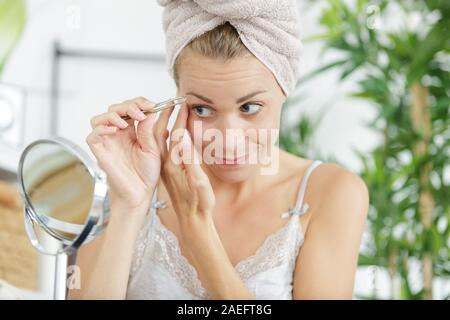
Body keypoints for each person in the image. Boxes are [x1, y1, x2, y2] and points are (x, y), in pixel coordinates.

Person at [68, 0, 369, 300]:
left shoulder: (331, 193)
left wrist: (198, 234)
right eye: (201, 109)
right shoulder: (129, 181)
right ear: (177, 97)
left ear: (284, 88)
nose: (228, 140)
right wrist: (128, 205)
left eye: (250, 108)